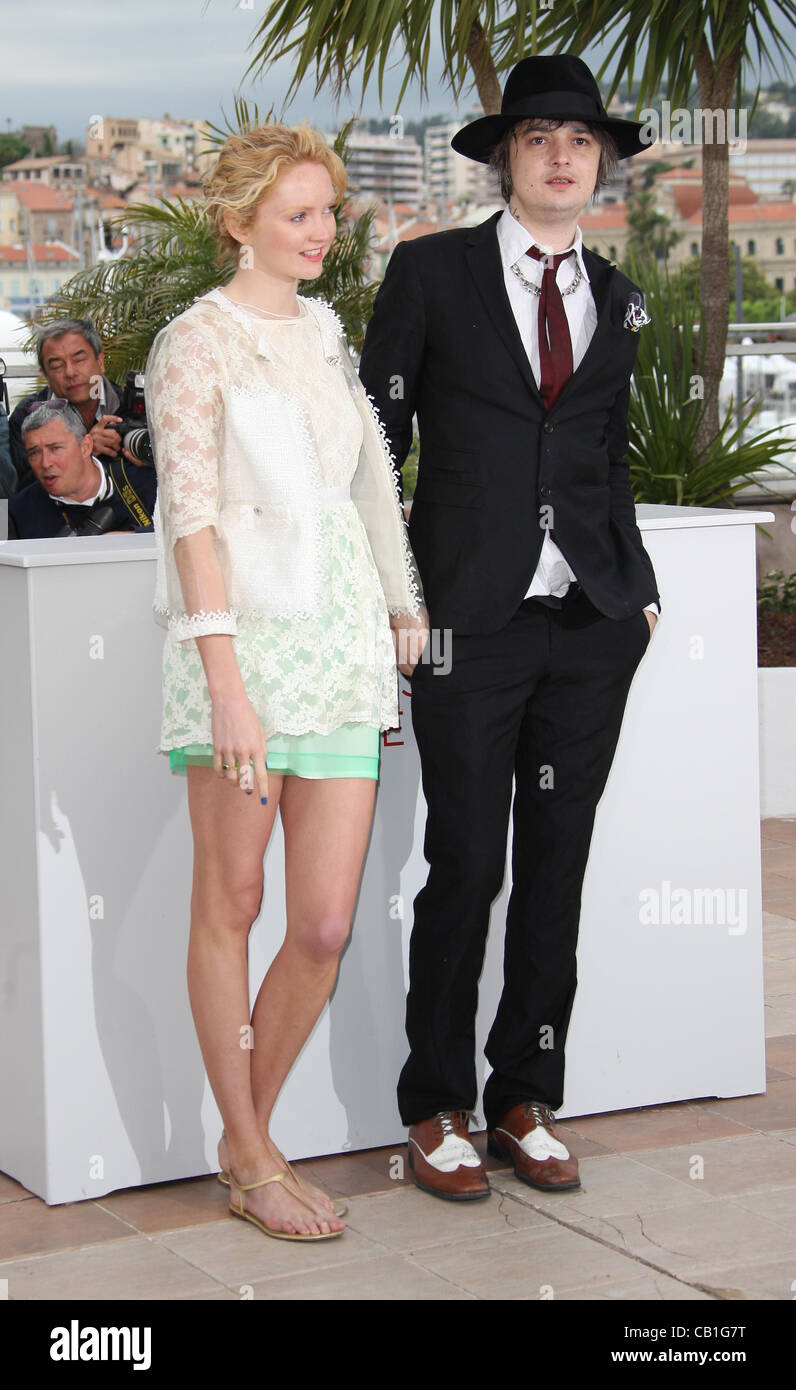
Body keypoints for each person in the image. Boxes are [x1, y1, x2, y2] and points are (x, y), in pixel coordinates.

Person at [358, 54, 660, 1202]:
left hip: (588, 626)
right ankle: (434, 1103)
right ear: (502, 159)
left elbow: (601, 453)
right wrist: (399, 598)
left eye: (580, 138)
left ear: (603, 162)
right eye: (537, 135)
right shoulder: (428, 272)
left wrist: (631, 592)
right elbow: (376, 451)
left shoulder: (619, 296)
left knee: (556, 864)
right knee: (466, 862)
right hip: (462, 628)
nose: (561, 152)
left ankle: (525, 1092)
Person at [146, 122, 428, 1241]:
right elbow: (193, 517)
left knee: (318, 924)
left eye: (328, 211)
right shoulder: (194, 342)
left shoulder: (321, 332)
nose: (323, 232)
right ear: (240, 221)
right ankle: (257, 1155)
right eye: (300, 213)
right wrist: (224, 683)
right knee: (237, 902)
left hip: (341, 653)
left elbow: (363, 491)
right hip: (243, 654)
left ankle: (242, 1142)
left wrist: (400, 614)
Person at [8, 318, 133, 493]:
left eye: (79, 359)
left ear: (100, 361)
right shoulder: (27, 415)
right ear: (44, 373)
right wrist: (83, 454)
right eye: (57, 365)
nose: (70, 372)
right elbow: (19, 492)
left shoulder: (130, 407)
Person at [7, 400, 156, 538]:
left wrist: (135, 537)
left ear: (86, 446)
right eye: (34, 453)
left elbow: (178, 536)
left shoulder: (146, 484)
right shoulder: (15, 513)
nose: (45, 463)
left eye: (55, 448)